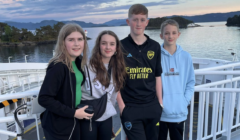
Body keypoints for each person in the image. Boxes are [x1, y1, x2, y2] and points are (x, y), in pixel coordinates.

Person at [38, 23, 93, 140]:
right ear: (63, 42)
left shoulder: (77, 62)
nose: (77, 44)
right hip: (59, 127)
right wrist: (74, 113)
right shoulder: (58, 66)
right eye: (71, 40)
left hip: (72, 121)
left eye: (80, 39)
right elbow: (44, 98)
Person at [116, 4, 163, 140]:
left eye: (142, 20)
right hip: (130, 107)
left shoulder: (155, 46)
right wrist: (121, 107)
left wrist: (160, 104)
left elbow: (157, 76)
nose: (138, 23)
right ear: (128, 21)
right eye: (135, 19)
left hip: (152, 106)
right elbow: (116, 78)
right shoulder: (120, 46)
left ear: (147, 22)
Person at [80, 30, 127, 140]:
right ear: (98, 46)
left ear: (116, 48)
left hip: (105, 117)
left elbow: (112, 97)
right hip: (87, 116)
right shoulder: (86, 66)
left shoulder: (117, 69)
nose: (107, 47)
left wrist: (110, 124)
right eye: (104, 43)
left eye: (112, 44)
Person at [158, 19, 195, 140]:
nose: (170, 36)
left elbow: (190, 82)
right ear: (161, 35)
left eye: (174, 33)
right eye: (167, 33)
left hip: (179, 112)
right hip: (160, 114)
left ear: (178, 34)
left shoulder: (186, 56)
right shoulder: (155, 56)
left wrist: (185, 101)